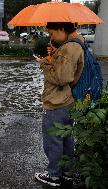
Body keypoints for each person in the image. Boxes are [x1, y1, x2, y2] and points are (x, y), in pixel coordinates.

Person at [34, 22, 85, 187]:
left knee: (53, 140)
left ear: (62, 29)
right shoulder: (76, 45)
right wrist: (54, 56)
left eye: (53, 33)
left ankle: (54, 175)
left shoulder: (68, 48)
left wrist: (45, 63)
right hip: (68, 100)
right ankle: (67, 173)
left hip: (56, 102)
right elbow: (71, 74)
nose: (51, 37)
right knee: (66, 139)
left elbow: (61, 79)